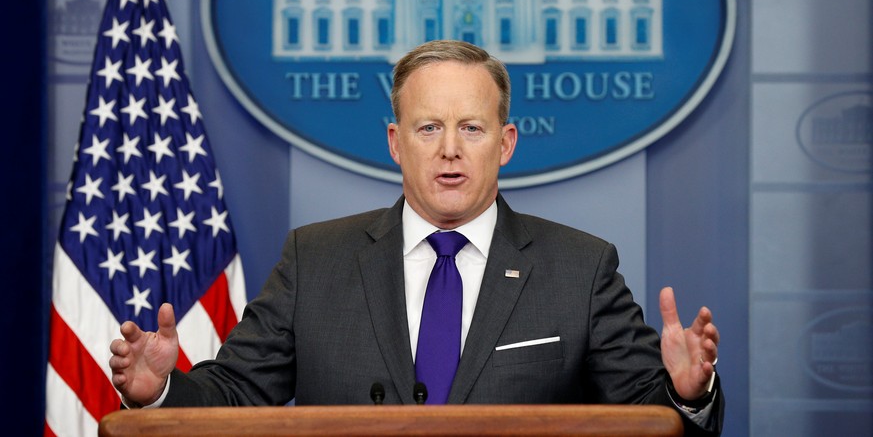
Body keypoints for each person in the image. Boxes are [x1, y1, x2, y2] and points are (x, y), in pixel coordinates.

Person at [110, 40, 723, 435]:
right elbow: (236, 395)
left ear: (505, 143)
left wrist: (686, 393)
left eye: (472, 127)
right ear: (396, 143)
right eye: (428, 127)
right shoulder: (314, 261)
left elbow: (652, 419)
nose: (450, 149)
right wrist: (160, 391)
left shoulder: (580, 268)